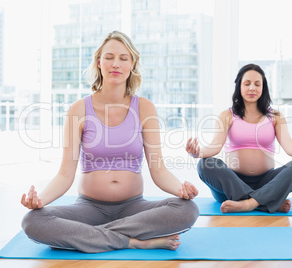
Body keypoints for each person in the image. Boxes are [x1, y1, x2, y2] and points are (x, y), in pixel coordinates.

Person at [21, 31, 199, 253]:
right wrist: (40, 201)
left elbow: (159, 170)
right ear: (99, 62)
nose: (116, 64)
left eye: (124, 58)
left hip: (135, 208)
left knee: (188, 210)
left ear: (132, 64)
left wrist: (180, 189)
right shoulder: (78, 110)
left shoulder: (144, 108)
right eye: (109, 57)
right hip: (88, 208)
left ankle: (89, 236)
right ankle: (132, 240)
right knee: (32, 221)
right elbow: (64, 175)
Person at [186, 63, 292, 214]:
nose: (252, 88)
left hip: (267, 182)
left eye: (257, 84)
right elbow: (215, 146)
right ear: (239, 86)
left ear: (263, 88)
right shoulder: (227, 115)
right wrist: (198, 153)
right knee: (204, 164)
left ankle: (249, 203)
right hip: (232, 184)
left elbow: (290, 147)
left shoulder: (275, 116)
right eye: (247, 83)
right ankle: (266, 202)